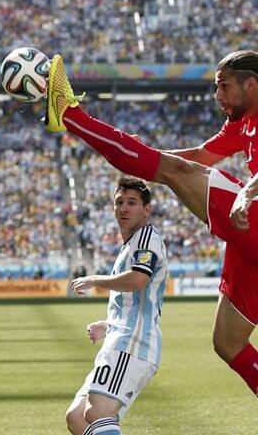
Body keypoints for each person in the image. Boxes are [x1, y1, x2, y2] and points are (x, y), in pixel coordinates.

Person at [42, 50, 258, 434]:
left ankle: (70, 114)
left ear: (250, 85)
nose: (217, 96)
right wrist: (147, 157)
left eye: (223, 87)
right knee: (229, 344)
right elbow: (199, 157)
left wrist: (246, 193)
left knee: (170, 170)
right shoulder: (242, 121)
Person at [65, 178, 169, 435]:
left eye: (132, 203)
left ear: (146, 210)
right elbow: (138, 300)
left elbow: (138, 280)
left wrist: (93, 280)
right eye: (119, 202)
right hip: (122, 337)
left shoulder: (146, 237)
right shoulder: (130, 244)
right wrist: (109, 325)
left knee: (98, 412)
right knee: (77, 417)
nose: (124, 208)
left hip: (134, 342)